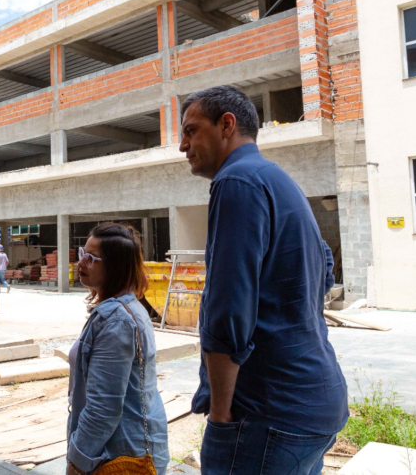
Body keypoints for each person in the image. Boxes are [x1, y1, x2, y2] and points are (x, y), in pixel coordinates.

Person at [178, 85, 347, 474]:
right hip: (315, 402)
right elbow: (322, 277)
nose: (182, 146)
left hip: (269, 415)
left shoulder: (236, 181)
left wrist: (220, 416)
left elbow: (227, 312)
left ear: (226, 125)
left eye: (191, 131)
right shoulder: (278, 181)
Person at [67, 222, 169, 475]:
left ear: (115, 267)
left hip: (120, 457)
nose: (81, 263)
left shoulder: (117, 320)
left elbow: (104, 409)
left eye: (91, 258)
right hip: (121, 447)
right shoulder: (121, 309)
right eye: (83, 253)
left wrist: (77, 463)